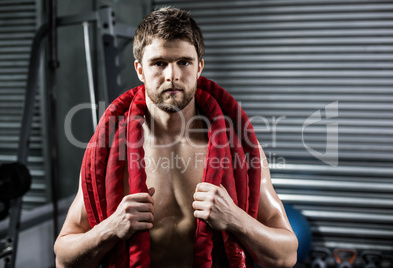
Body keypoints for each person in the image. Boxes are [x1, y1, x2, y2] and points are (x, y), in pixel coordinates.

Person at [54, 6, 298, 268]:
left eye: (184, 62)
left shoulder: (240, 148)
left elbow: (286, 256)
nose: (172, 75)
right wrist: (110, 229)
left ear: (199, 66)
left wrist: (236, 219)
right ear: (139, 70)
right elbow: (63, 260)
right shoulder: (108, 152)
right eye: (159, 63)